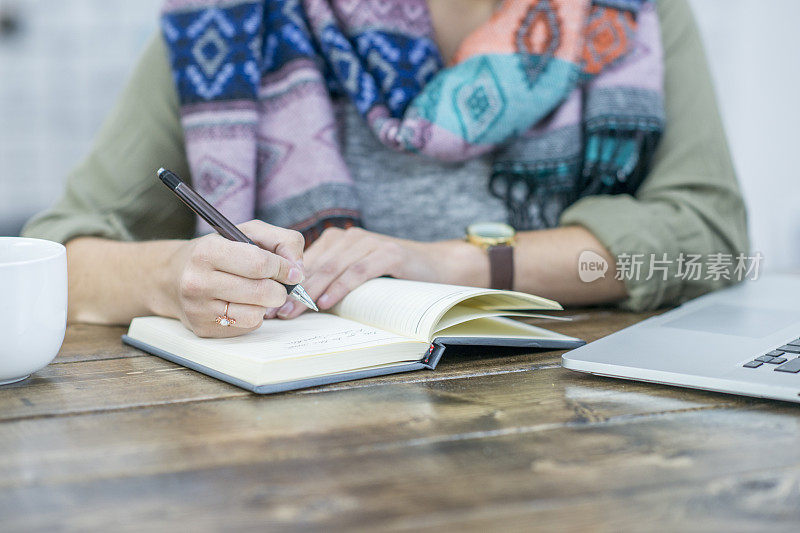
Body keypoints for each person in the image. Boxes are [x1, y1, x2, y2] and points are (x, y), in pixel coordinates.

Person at [23, 0, 748, 338]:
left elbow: (712, 243)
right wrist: (171, 276)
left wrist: (452, 265)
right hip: (292, 463)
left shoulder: (631, 15)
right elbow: (55, 257)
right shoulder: (235, 20)